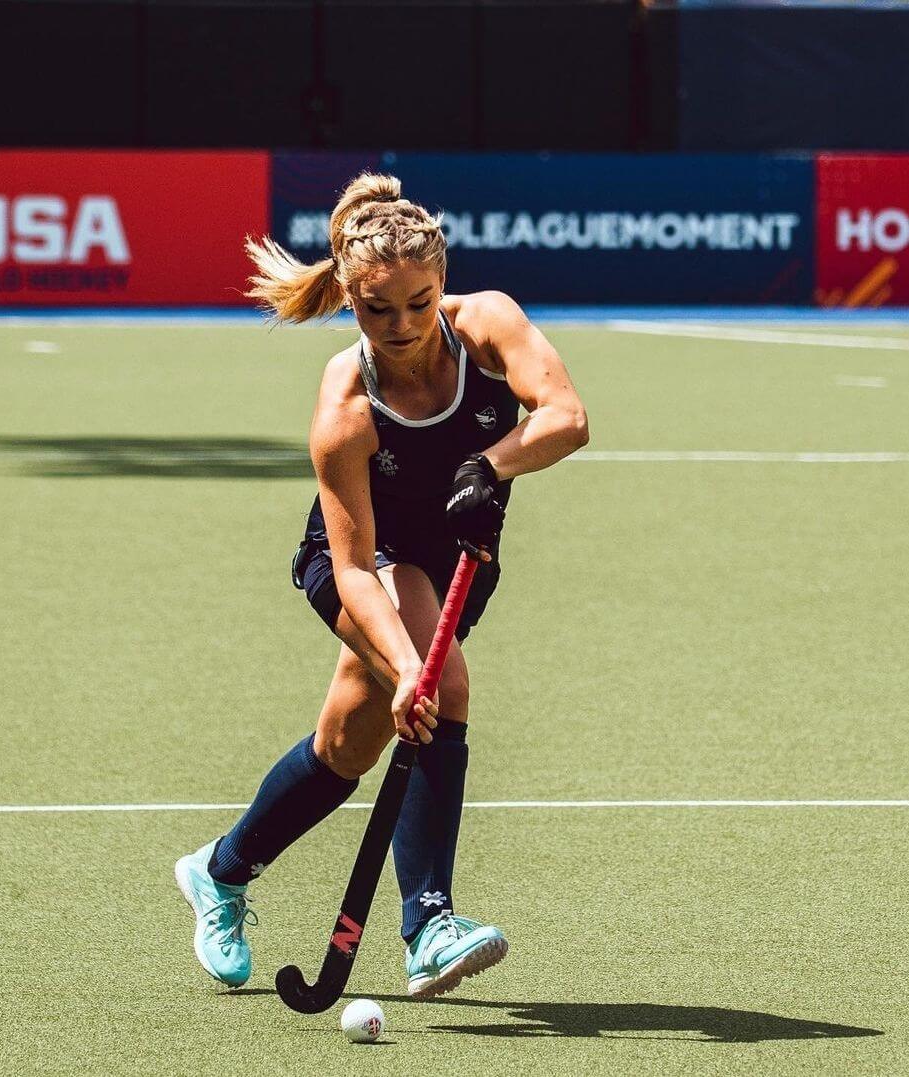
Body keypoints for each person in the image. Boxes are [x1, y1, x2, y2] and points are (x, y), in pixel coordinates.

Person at [175, 173, 589, 1000]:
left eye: (417, 301)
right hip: (359, 562)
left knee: (346, 746)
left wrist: (491, 463)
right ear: (347, 297)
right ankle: (428, 924)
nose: (400, 325)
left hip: (460, 558)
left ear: (442, 281)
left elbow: (565, 416)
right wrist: (408, 666)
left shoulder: (487, 326)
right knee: (441, 686)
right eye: (376, 308)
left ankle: (218, 871)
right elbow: (358, 564)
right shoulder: (345, 403)